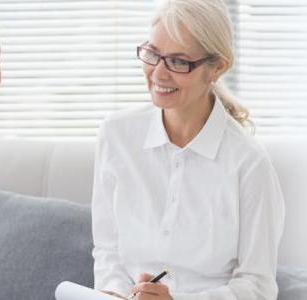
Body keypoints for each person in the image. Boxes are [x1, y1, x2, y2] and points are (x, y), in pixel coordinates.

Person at [91, 0, 285, 299]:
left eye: (179, 62)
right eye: (153, 54)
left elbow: (258, 286)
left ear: (217, 68)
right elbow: (107, 251)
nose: (158, 74)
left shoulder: (248, 162)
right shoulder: (117, 135)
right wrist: (115, 293)